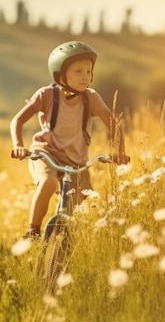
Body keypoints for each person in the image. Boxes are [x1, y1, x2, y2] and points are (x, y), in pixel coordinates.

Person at [10, 41, 130, 240]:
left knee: (77, 202)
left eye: (89, 71)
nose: (85, 76)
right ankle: (33, 231)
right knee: (47, 182)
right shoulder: (47, 95)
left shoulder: (91, 98)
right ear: (60, 74)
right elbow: (18, 120)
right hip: (46, 153)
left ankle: (62, 245)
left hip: (76, 160)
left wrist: (120, 151)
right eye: (78, 71)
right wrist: (19, 146)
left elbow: (113, 124)